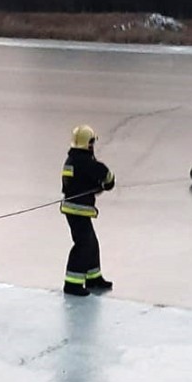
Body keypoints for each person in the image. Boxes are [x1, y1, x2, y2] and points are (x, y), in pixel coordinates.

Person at [61, 125, 115, 297]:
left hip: (73, 208)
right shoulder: (86, 162)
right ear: (88, 143)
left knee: (91, 243)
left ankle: (93, 278)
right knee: (84, 245)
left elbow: (71, 183)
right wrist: (103, 184)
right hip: (79, 210)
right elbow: (107, 177)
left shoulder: (71, 161)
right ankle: (72, 283)